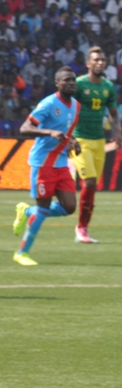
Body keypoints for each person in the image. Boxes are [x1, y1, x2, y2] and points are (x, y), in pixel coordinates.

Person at [12, 67, 81, 266]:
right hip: (43, 163)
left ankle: (26, 212)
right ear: (57, 83)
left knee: (69, 207)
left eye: (73, 80)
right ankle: (22, 253)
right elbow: (25, 128)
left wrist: (72, 141)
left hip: (61, 162)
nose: (71, 83)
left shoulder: (76, 106)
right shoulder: (49, 103)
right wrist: (48, 132)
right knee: (43, 208)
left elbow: (65, 132)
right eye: (66, 80)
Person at [71, 47, 118, 244]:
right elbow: (67, 108)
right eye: (96, 60)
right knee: (89, 182)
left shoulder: (108, 87)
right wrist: (68, 136)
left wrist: (118, 132)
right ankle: (81, 228)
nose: (100, 63)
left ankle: (84, 228)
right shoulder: (79, 84)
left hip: (99, 141)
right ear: (88, 64)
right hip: (80, 140)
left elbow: (113, 114)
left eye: (102, 60)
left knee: (92, 187)